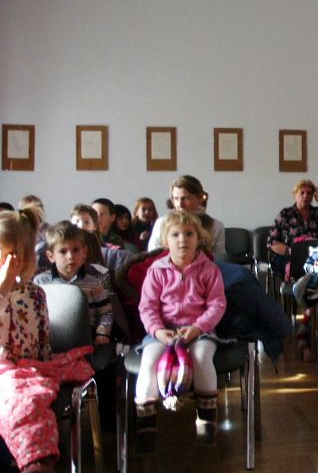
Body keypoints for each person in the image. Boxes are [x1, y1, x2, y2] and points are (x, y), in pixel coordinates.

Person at [135, 211, 227, 452]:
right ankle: (146, 425)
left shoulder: (209, 269)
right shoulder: (156, 270)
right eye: (175, 235)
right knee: (149, 361)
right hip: (163, 332)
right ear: (166, 240)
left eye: (189, 234)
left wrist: (198, 328)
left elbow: (217, 304)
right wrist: (158, 331)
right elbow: (147, 307)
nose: (182, 239)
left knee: (201, 357)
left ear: (199, 238)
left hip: (199, 331)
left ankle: (206, 422)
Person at [0, 208, 60, 473]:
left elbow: (42, 335)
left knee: (30, 396)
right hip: (4, 369)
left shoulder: (35, 293)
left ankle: (37, 458)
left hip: (28, 367)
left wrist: (44, 362)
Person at [34, 222, 114, 346]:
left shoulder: (94, 283)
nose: (70, 256)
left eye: (76, 250)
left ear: (84, 252)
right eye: (63, 251)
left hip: (86, 341)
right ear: (51, 256)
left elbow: (106, 312)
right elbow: (35, 315)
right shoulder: (41, 283)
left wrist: (102, 333)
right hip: (50, 342)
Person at [266, 179, 318, 277]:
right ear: (294, 195)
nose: (305, 196)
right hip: (290, 255)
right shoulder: (285, 214)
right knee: (292, 266)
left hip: (315, 255)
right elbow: (272, 242)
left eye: (309, 193)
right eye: (302, 193)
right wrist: (291, 251)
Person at [147, 176, 226, 257]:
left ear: (200, 198)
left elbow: (220, 258)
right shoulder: (161, 223)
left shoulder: (216, 226)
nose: (180, 204)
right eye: (176, 199)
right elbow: (152, 254)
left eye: (185, 198)